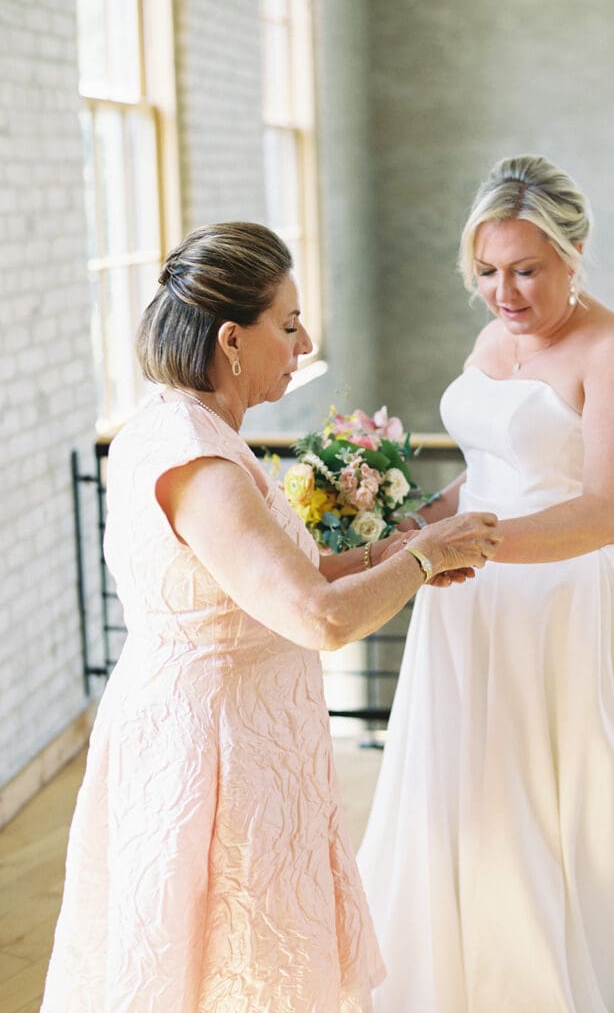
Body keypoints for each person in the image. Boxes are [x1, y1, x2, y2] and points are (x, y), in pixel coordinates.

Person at [41, 222, 501, 1013]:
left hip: (239, 730)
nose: (304, 339)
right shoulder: (201, 464)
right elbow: (318, 617)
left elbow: (305, 575)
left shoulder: (189, 429)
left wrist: (402, 550)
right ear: (231, 339)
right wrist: (423, 560)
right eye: (288, 325)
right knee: (236, 967)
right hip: (216, 751)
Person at [357, 156, 614, 1013]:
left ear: (576, 252)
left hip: (580, 605)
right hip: (472, 599)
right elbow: (488, 471)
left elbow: (605, 513)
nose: (503, 292)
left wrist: (460, 545)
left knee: (586, 809)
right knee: (477, 795)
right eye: (486, 271)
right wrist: (413, 521)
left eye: (525, 269)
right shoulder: (490, 341)